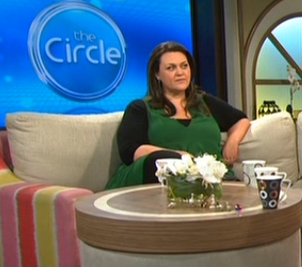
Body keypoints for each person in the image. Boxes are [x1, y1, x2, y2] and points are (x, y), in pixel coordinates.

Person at [106, 41, 251, 189]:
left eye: (184, 66)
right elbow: (131, 151)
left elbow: (240, 119)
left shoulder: (205, 102)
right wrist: (180, 157)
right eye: (171, 68)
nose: (180, 72)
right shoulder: (140, 108)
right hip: (158, 179)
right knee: (159, 161)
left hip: (210, 179)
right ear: (157, 74)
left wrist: (233, 140)